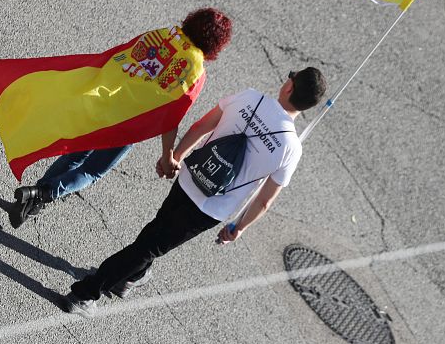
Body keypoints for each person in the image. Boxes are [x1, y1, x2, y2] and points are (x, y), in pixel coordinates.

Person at [62, 67, 326, 316]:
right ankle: (86, 293)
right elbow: (265, 200)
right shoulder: (291, 148)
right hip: (212, 207)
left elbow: (201, 126)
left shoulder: (250, 97)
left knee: (156, 234)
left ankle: (129, 278)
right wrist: (239, 226)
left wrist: (175, 156)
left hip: (192, 176)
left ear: (289, 86)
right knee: (151, 246)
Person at [8, 8, 233, 228]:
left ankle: (32, 200)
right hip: (128, 123)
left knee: (75, 156)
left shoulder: (164, 34)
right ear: (216, 45)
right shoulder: (195, 70)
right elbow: (171, 117)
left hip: (104, 102)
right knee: (92, 171)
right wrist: (168, 156)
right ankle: (42, 193)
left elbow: (119, 57)